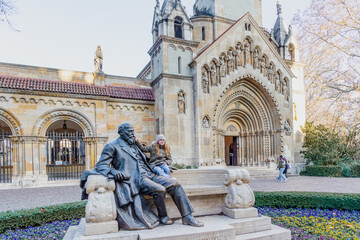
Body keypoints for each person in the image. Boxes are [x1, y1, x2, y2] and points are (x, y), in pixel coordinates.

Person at [90, 123, 204, 230]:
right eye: (129, 132)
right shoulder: (112, 146)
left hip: (150, 173)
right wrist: (114, 172)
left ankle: (187, 217)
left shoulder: (133, 144)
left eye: (132, 131)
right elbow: (101, 165)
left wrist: (162, 164)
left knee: (175, 184)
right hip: (136, 178)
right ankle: (163, 216)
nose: (132, 134)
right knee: (160, 189)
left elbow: (147, 158)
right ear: (122, 133)